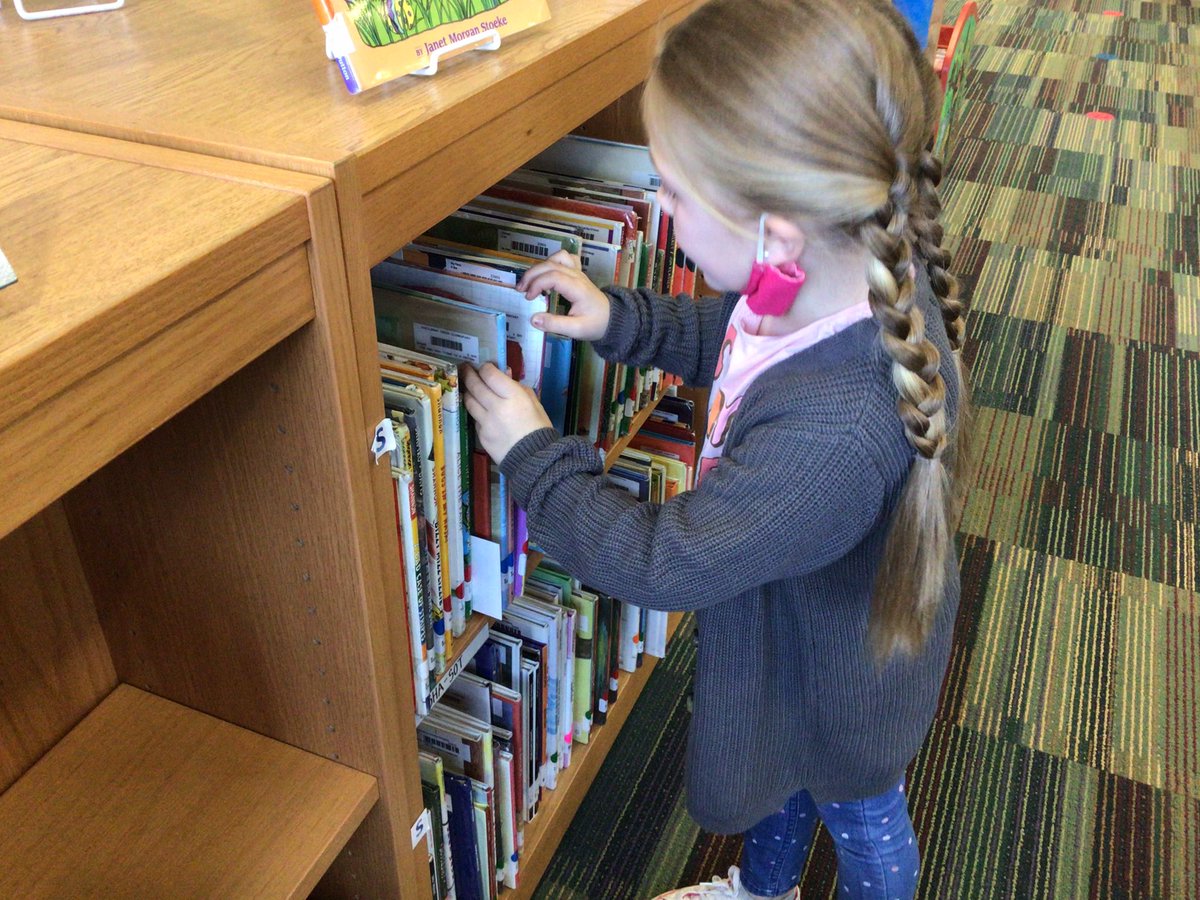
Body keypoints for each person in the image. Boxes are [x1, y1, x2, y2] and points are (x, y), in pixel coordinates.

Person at [460, 0, 970, 896]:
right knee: (783, 782)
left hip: (843, 681)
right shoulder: (841, 275)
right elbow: (739, 340)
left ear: (775, 236)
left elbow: (664, 562)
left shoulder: (835, 432)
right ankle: (760, 890)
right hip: (797, 636)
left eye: (673, 190)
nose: (661, 207)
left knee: (860, 816)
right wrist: (622, 318)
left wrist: (532, 451)